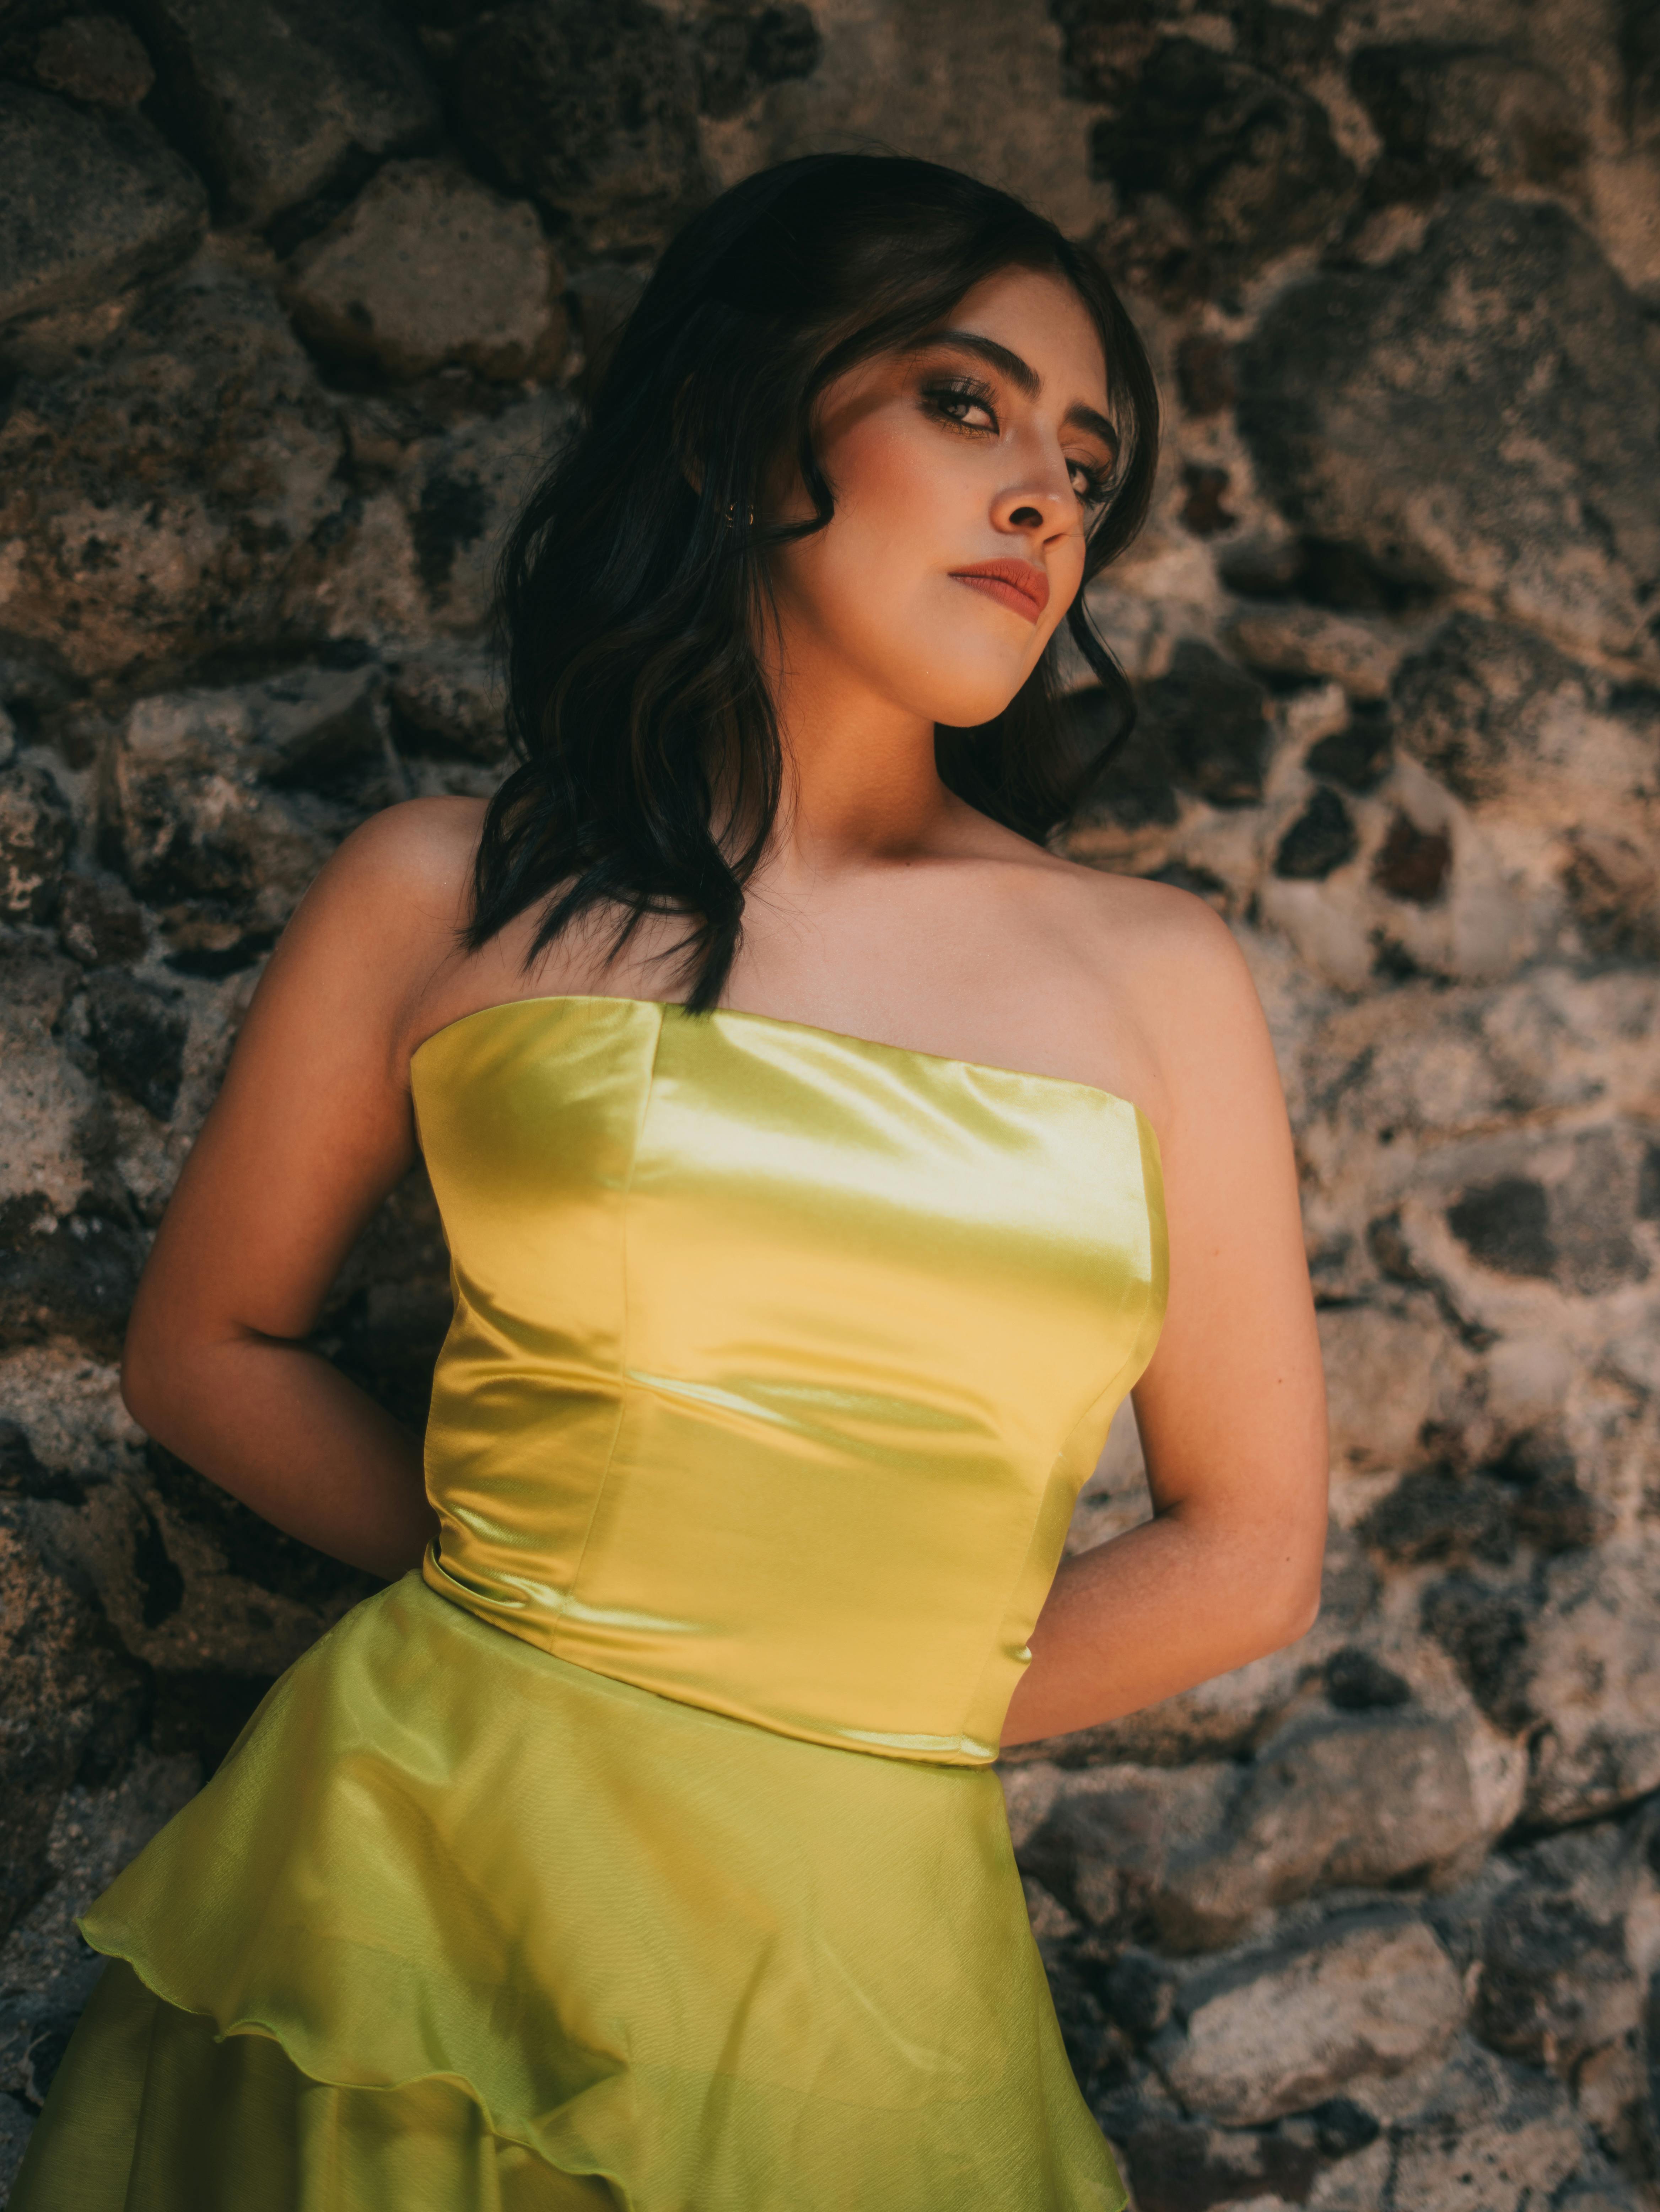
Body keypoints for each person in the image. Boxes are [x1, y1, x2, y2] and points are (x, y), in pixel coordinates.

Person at [13, 153, 1327, 2210]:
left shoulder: (1158, 974)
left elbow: (1250, 1550)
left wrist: (844, 1711)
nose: (1047, 502)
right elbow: (203, 1351)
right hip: (426, 1870)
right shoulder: (442, 889)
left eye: (1085, 465)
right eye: (966, 404)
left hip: (858, 1944)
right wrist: (547, 1610)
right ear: (741, 421)